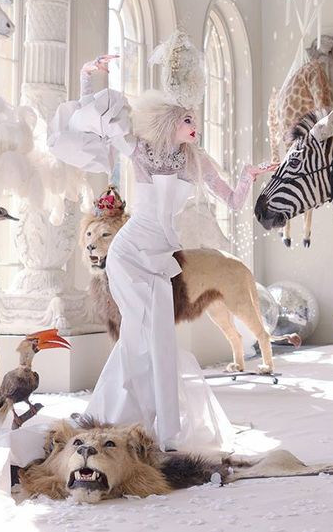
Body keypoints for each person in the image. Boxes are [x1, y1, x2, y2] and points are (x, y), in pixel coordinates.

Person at [48, 54, 274, 451]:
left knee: (157, 339)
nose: (195, 126)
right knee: (141, 335)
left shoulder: (197, 163)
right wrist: (87, 75)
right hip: (130, 254)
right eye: (188, 120)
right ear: (170, 122)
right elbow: (96, 121)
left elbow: (235, 201)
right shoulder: (140, 151)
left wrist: (247, 177)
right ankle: (120, 414)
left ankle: (155, 423)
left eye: (195, 120)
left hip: (161, 259)